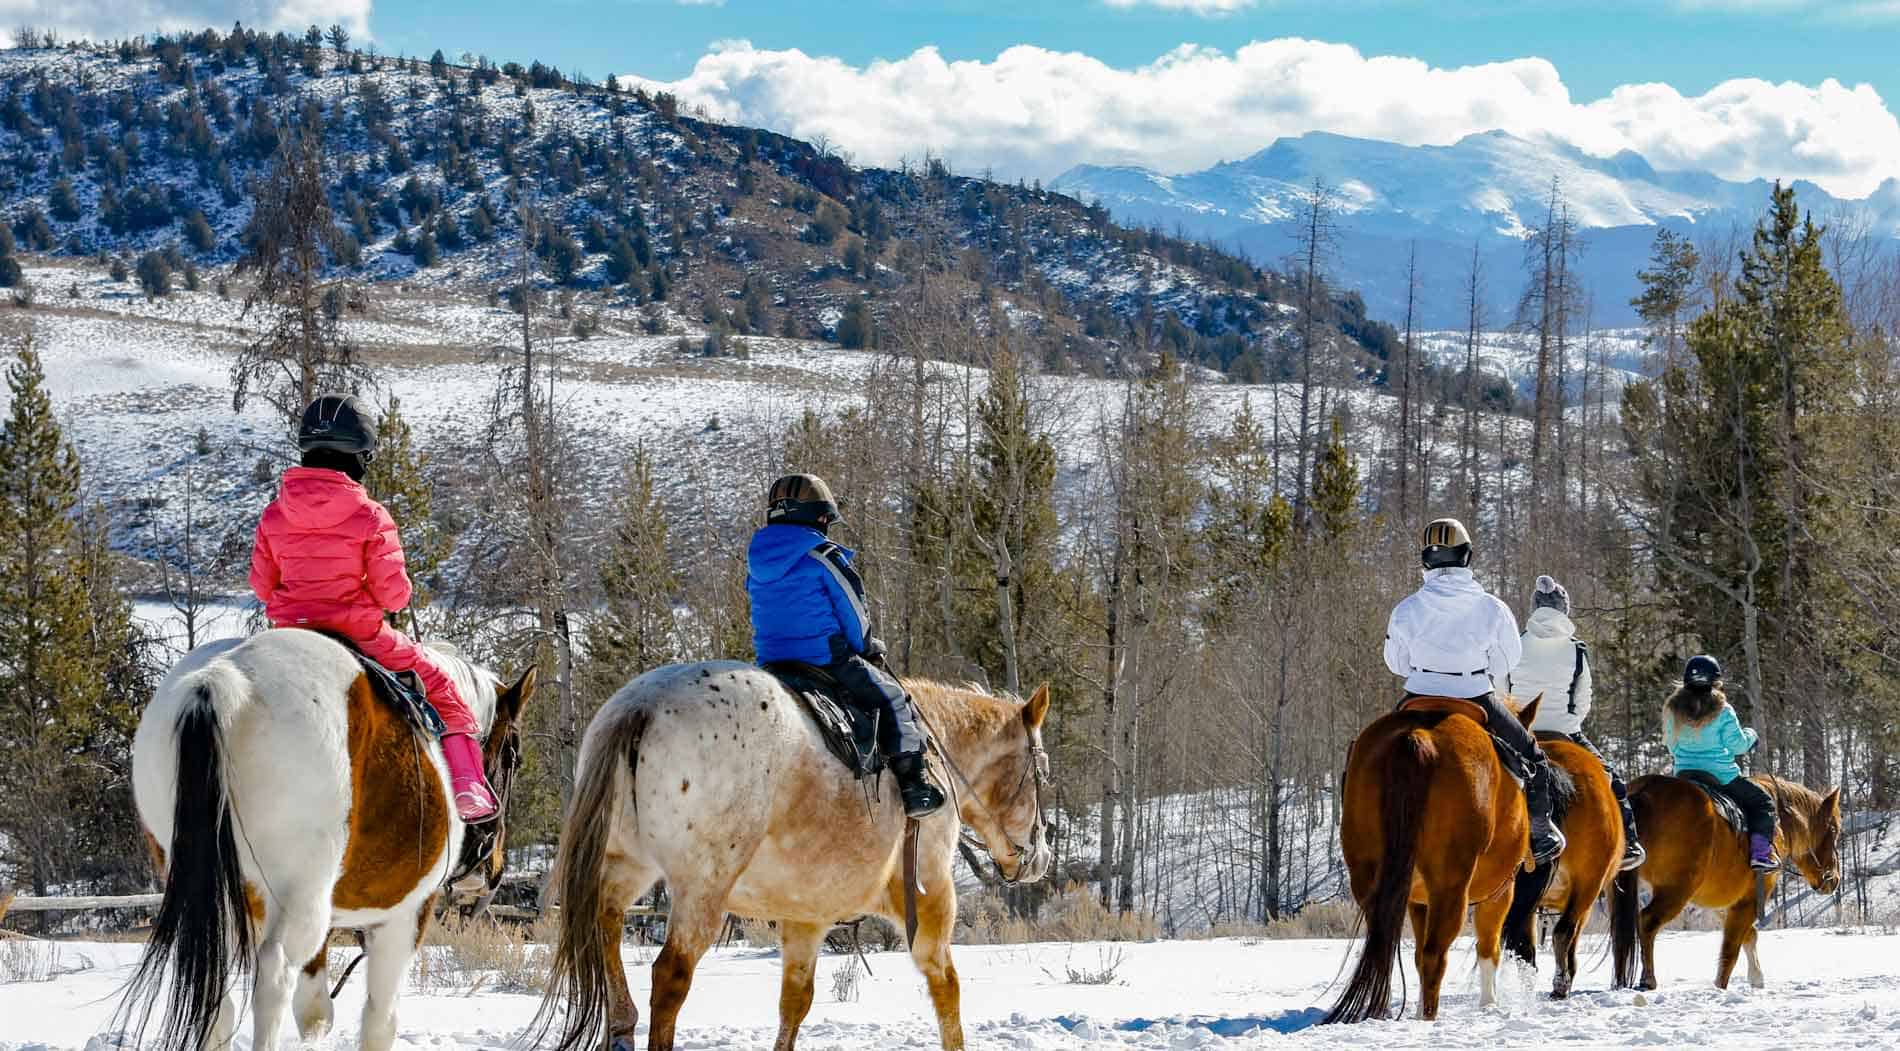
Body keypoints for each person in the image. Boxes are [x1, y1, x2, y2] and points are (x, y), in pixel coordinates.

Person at [250, 394, 499, 823]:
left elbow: (260, 585)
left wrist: (292, 606)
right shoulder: (370, 515)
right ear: (360, 455)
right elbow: (393, 596)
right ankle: (467, 788)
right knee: (441, 685)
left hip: (288, 637)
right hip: (360, 635)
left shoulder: (275, 514)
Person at [746, 473, 946, 818]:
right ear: (815, 516)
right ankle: (915, 789)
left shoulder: (756, 562)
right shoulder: (823, 555)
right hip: (825, 657)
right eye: (825, 519)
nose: (826, 526)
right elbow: (853, 611)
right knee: (894, 698)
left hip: (772, 661)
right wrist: (867, 646)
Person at [1384, 518, 1565, 865]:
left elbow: (1397, 663)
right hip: (1474, 696)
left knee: (1373, 751)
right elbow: (1506, 661)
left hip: (1417, 693)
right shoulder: (1492, 608)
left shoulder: (1405, 609)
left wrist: (1429, 668)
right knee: (1532, 755)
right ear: (1466, 556)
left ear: (1427, 560)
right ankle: (1540, 833)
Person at [1510, 575, 1646, 871]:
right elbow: (1584, 699)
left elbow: (1500, 688)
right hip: (1566, 731)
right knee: (1614, 782)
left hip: (1521, 731)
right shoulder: (1577, 651)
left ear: (1535, 608)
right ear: (1564, 609)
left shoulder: (1515, 645)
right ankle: (1628, 845)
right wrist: (1569, 724)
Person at [1664, 655, 1777, 870]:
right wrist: (1752, 735)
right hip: (1721, 777)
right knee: (1763, 803)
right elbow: (1738, 746)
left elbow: (1671, 745)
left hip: (1684, 775)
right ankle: (1760, 855)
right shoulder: (1723, 710)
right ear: (1715, 682)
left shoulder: (1673, 709)